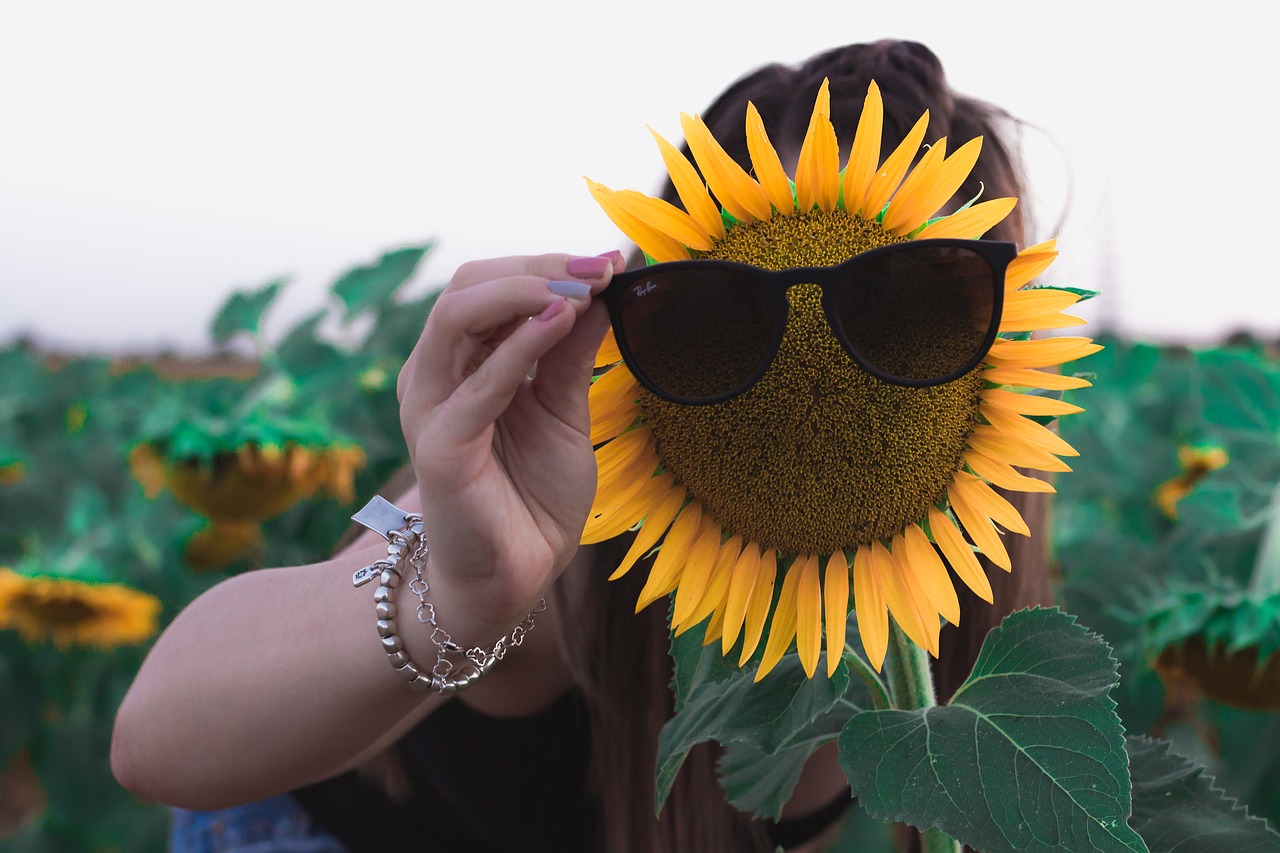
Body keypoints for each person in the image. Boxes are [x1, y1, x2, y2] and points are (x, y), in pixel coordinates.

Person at [111, 39, 1056, 853]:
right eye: (726, 310)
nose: (817, 367)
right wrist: (458, 593)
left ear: (1005, 342)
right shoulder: (562, 512)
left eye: (917, 301)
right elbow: (158, 735)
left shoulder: (961, 622)